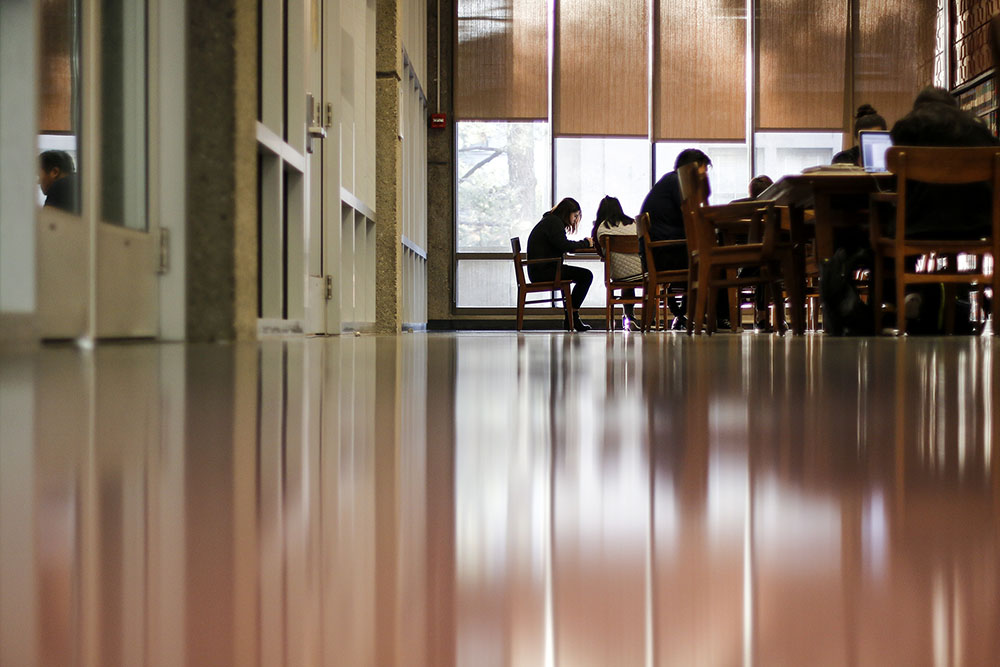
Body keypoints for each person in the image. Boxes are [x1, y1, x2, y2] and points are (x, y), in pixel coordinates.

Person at [883, 86, 1000, 332]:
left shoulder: (907, 126)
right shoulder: (979, 128)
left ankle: (905, 294)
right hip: (977, 225)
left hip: (919, 225)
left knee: (886, 221)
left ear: (918, 107)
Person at [640, 148, 729, 329]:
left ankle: (698, 314)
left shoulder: (669, 181)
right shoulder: (678, 182)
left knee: (706, 255)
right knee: (717, 261)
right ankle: (721, 318)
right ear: (691, 170)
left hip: (661, 253)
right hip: (666, 254)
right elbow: (693, 217)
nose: (703, 180)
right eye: (702, 173)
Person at [527, 197, 594, 331]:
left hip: (542, 269)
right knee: (586, 276)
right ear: (567, 213)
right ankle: (573, 316)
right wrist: (586, 243)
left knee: (580, 275)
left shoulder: (550, 220)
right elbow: (565, 245)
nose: (575, 220)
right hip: (545, 271)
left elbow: (561, 244)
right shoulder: (554, 223)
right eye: (575, 216)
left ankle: (571, 318)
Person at [591, 195, 642, 329]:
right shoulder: (633, 223)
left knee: (625, 276)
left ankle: (628, 316)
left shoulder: (601, 228)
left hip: (618, 275)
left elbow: (601, 253)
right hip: (642, 272)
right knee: (631, 273)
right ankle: (642, 319)